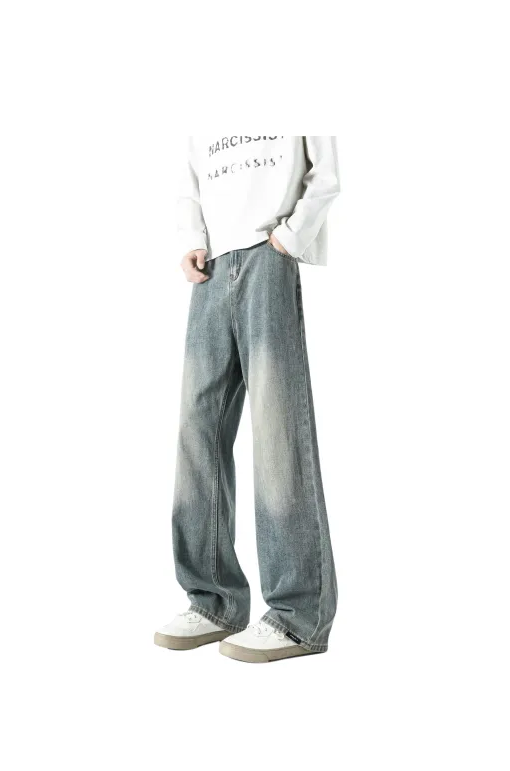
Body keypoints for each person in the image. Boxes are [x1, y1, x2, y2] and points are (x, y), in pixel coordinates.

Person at [153, 136, 340, 663]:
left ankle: (299, 616)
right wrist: (192, 238)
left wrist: (290, 236)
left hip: (267, 253)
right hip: (212, 267)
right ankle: (213, 601)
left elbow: (326, 173)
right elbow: (189, 177)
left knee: (278, 428)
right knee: (197, 431)